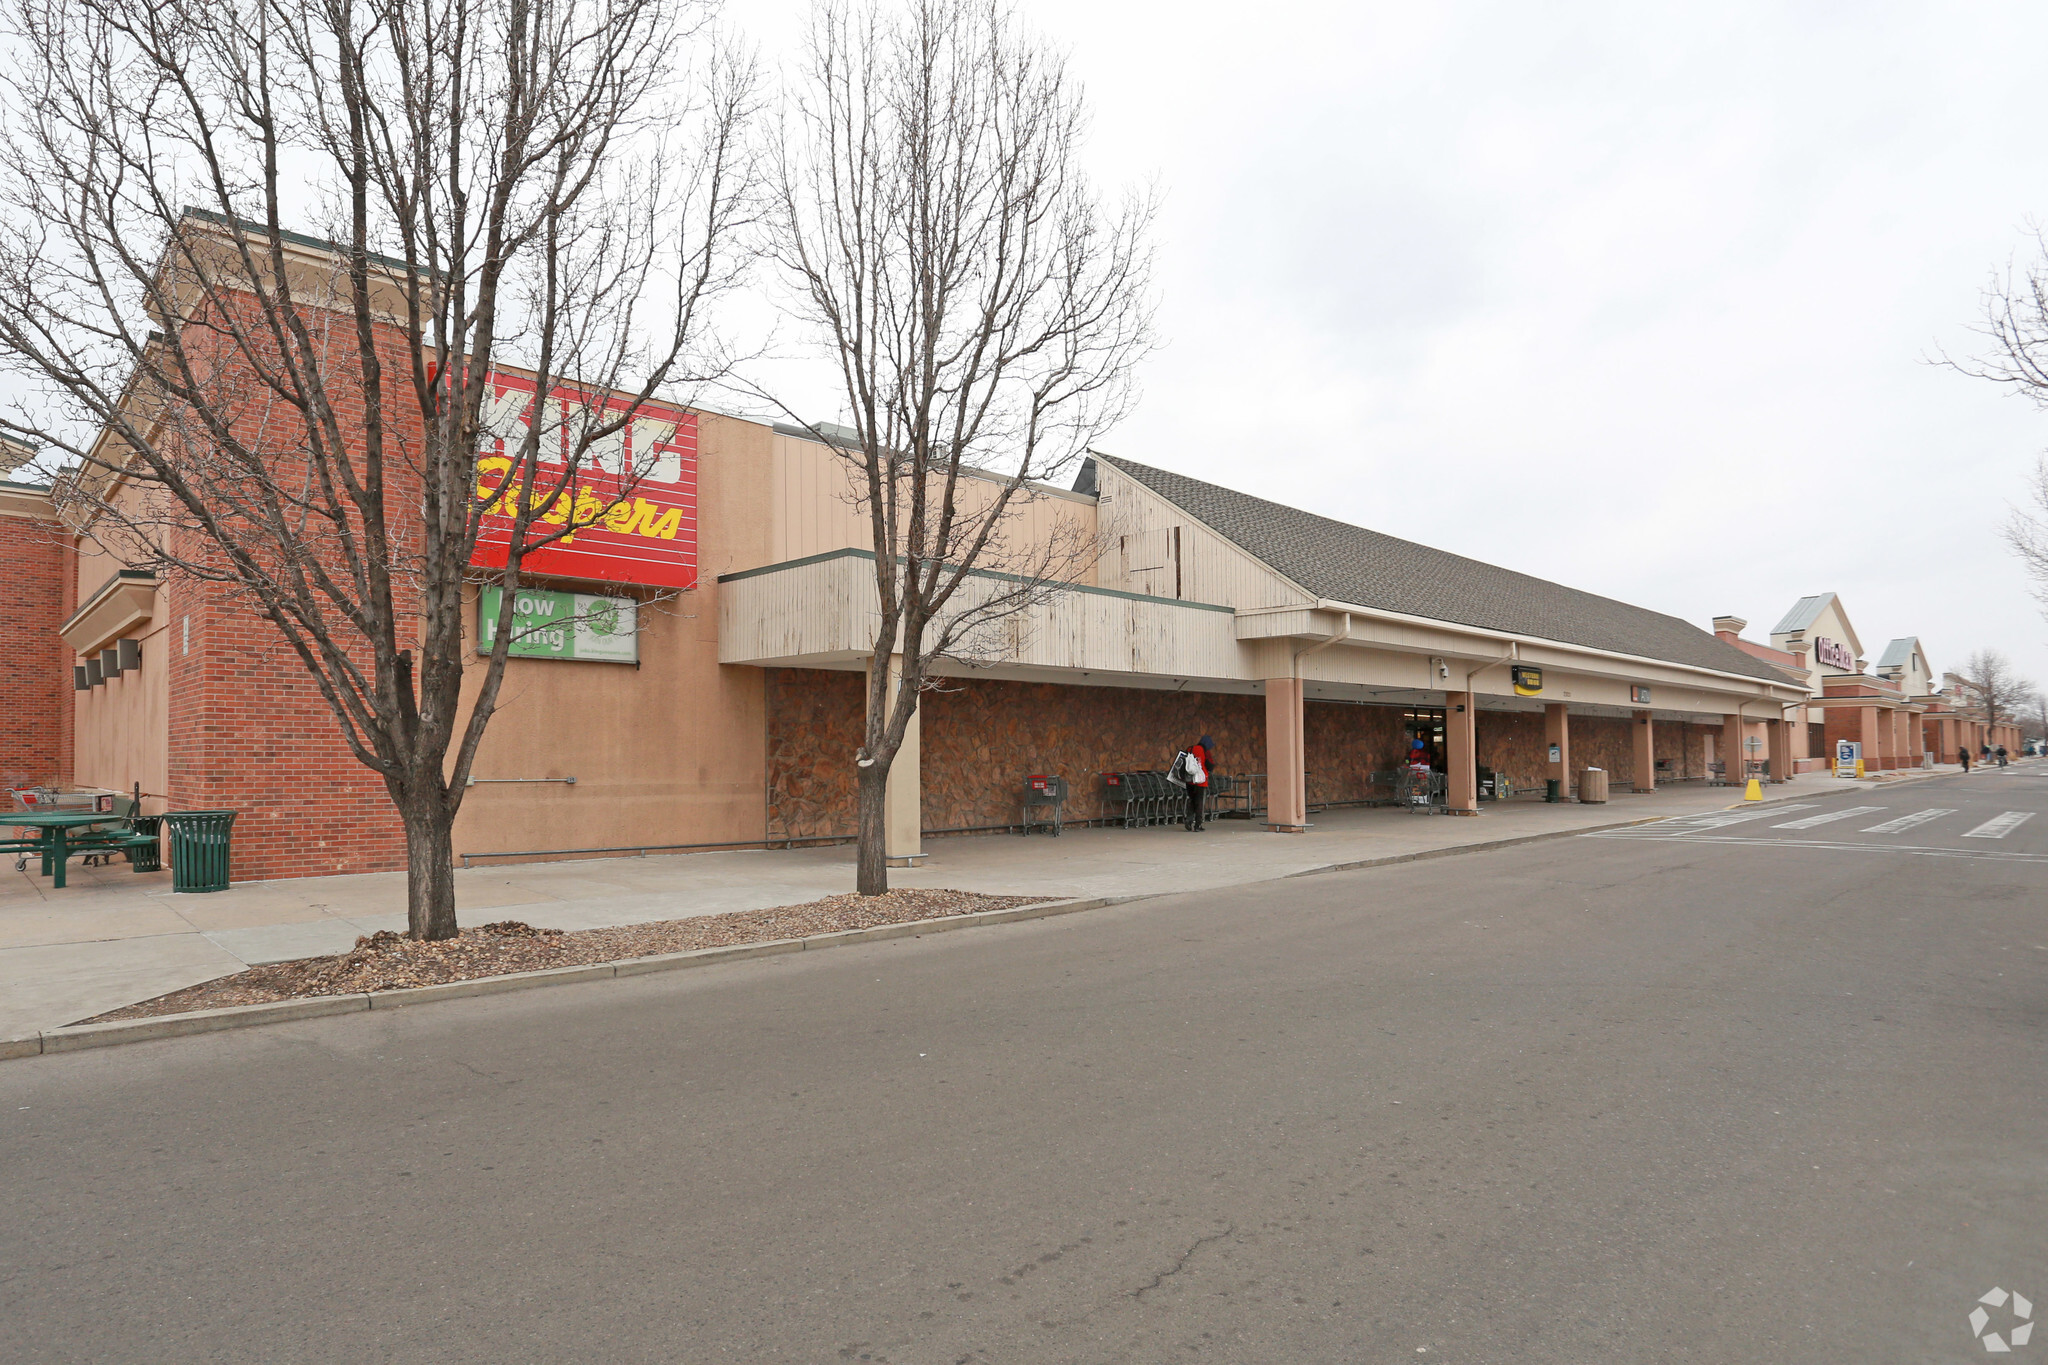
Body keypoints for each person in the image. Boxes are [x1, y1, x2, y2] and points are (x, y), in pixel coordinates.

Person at [1183, 735, 1214, 832]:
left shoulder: (1190, 748)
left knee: (1192, 801)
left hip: (1189, 781)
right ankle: (1198, 824)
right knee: (1199, 803)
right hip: (1200, 781)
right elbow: (1210, 766)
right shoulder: (1205, 751)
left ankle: (1189, 820)